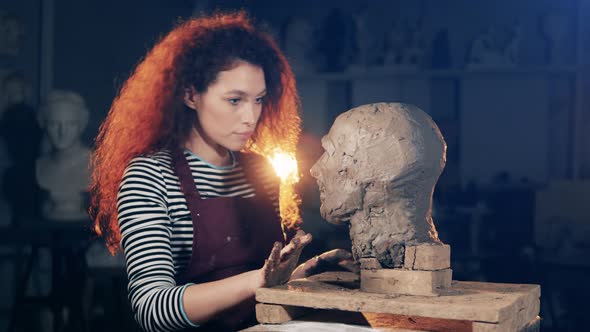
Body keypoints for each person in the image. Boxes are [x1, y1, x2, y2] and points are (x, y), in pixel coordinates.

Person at [90, 12, 355, 332]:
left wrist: (302, 273)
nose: (250, 117)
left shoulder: (259, 171)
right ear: (190, 94)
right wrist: (259, 279)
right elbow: (152, 309)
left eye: (258, 100)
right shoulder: (150, 176)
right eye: (234, 100)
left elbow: (256, 286)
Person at [36, 90, 91, 221]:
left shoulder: (98, 166)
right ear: (43, 124)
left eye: (71, 124)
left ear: (81, 125)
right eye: (54, 124)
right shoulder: (38, 166)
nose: (62, 131)